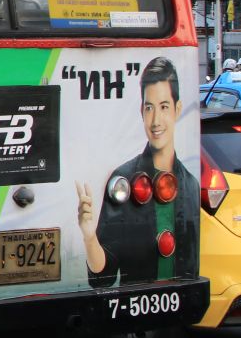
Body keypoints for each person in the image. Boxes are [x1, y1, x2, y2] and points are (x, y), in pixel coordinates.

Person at [76, 57, 199, 287]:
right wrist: (90, 237)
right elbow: (103, 277)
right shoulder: (123, 180)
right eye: (149, 108)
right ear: (141, 111)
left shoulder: (191, 186)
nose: (155, 121)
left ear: (177, 109)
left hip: (178, 311)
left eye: (164, 107)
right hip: (133, 311)